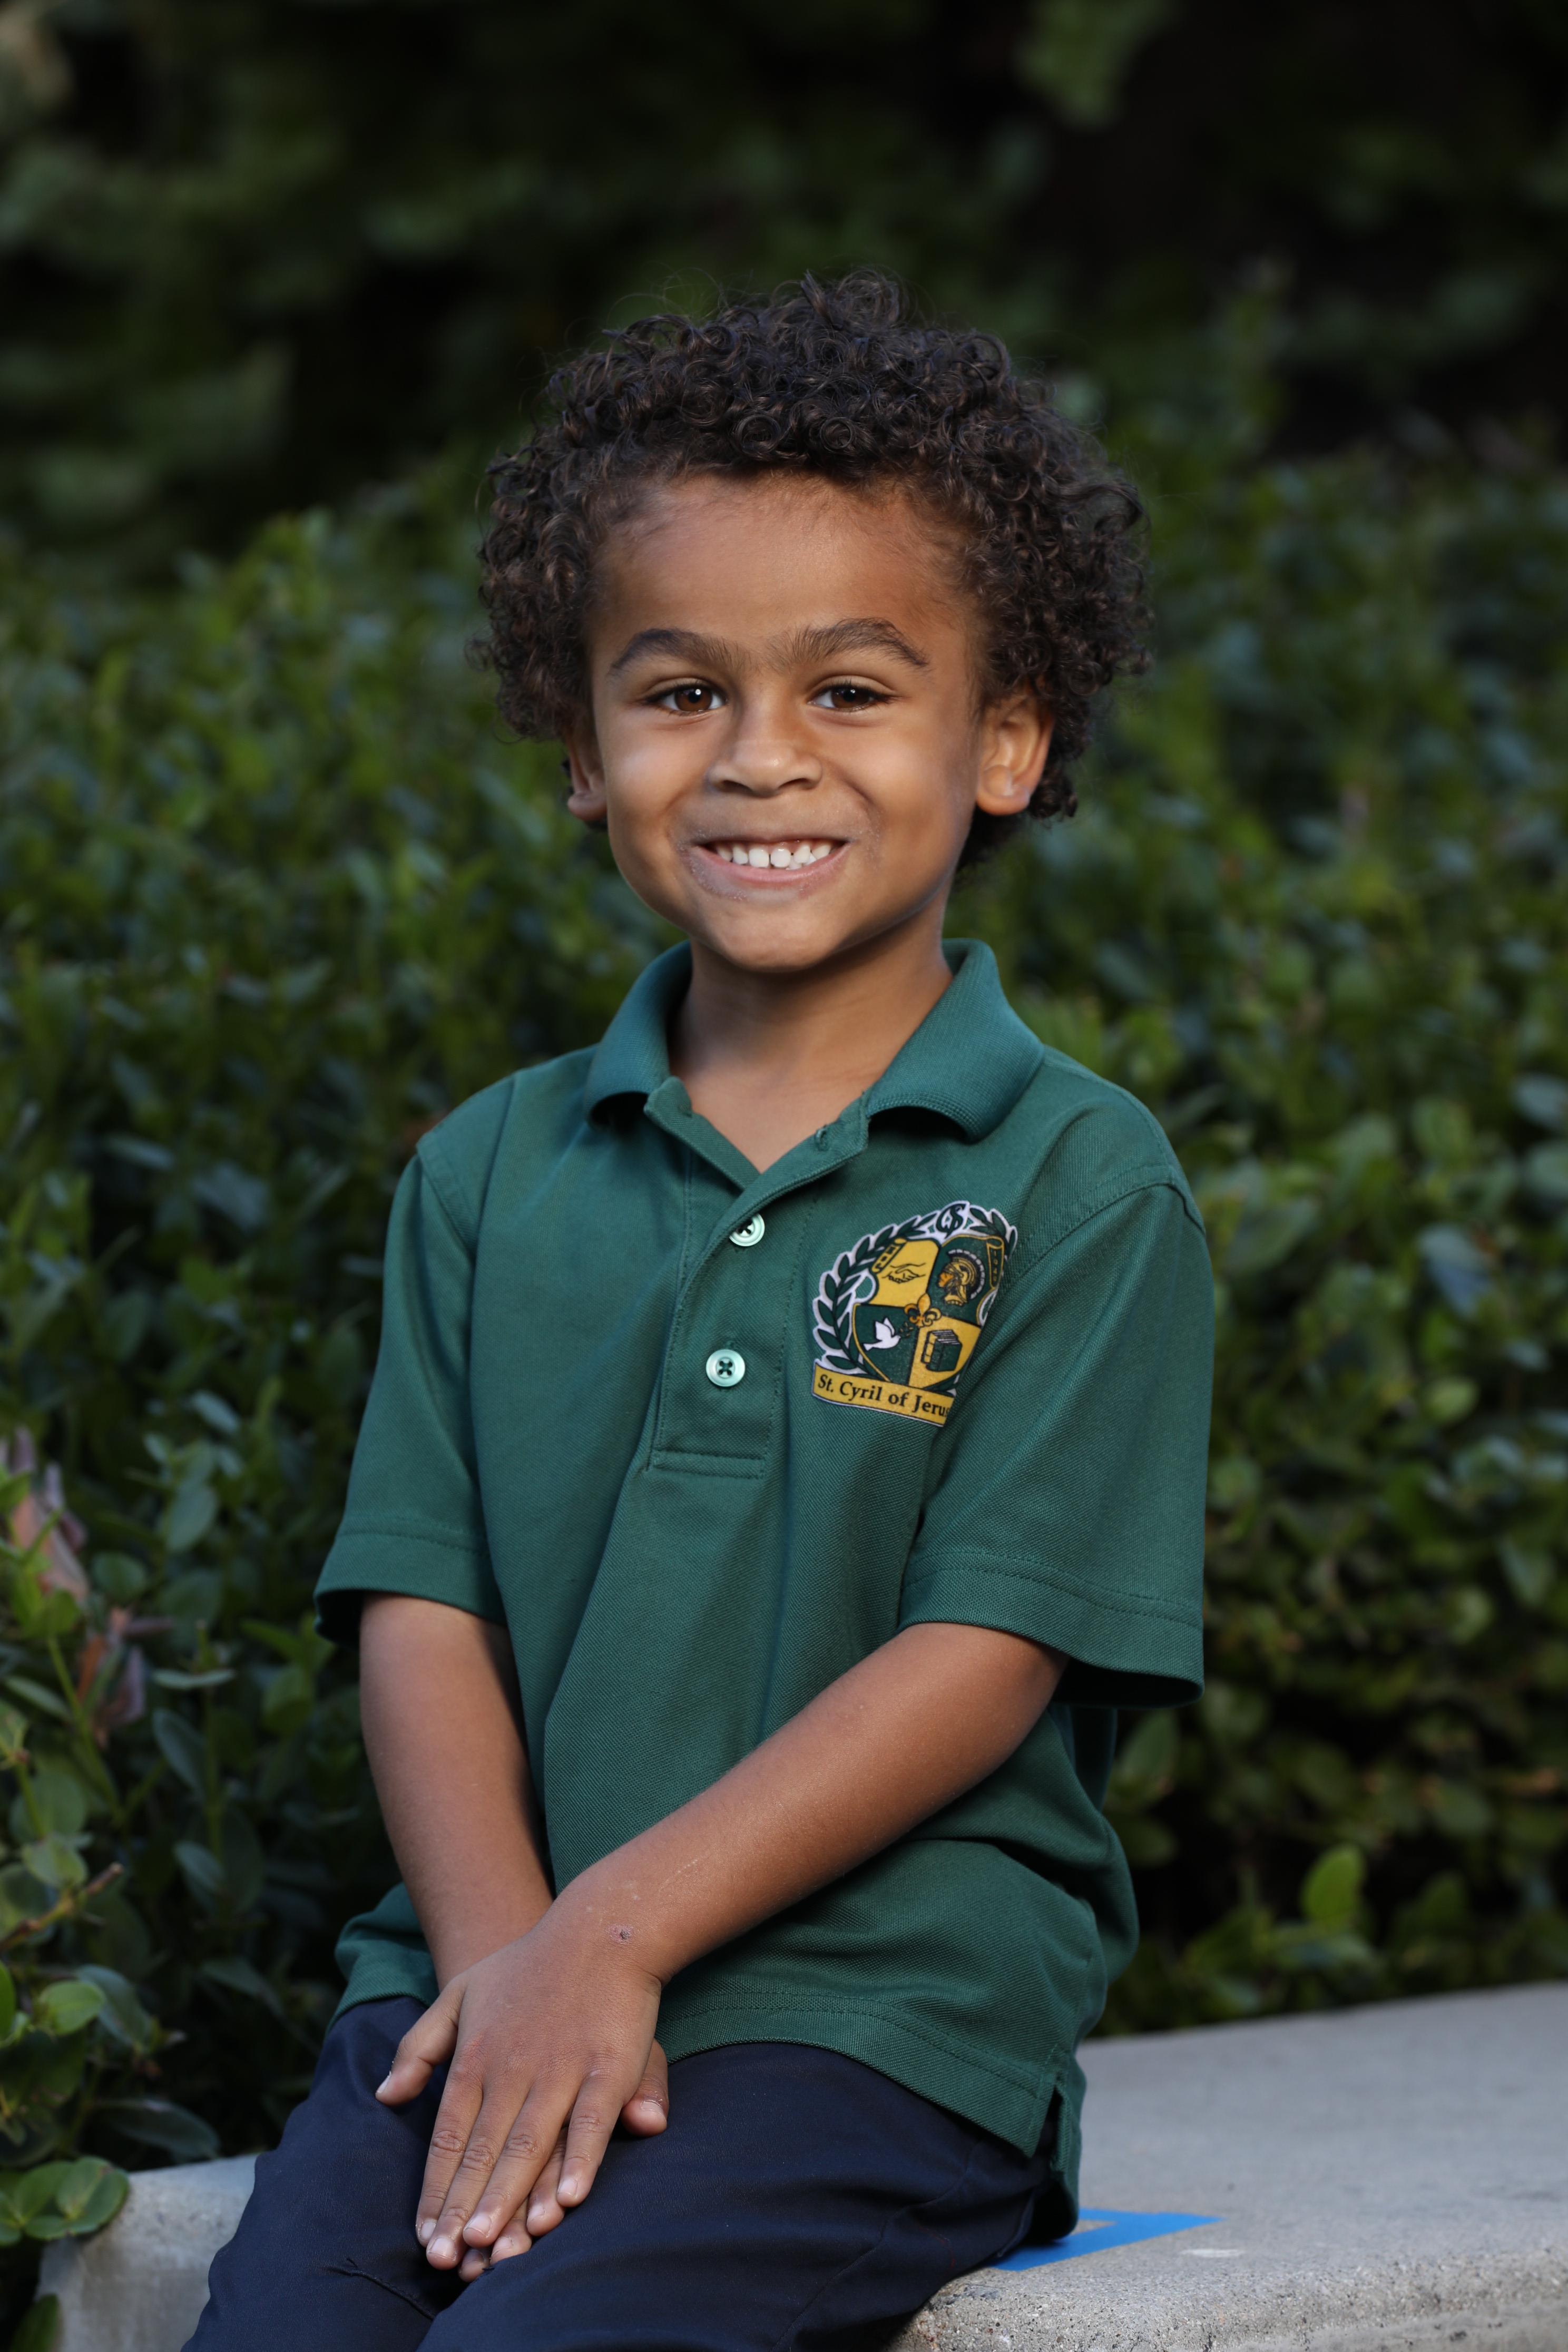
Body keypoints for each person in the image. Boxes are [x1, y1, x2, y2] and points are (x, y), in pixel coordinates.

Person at [187, 271, 1212, 2352]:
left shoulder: (1076, 1181)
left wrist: (622, 1939)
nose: (761, 758)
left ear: (1006, 741)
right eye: (679, 693)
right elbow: (423, 1612)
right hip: (477, 1979)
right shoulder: (490, 1172)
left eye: (852, 688)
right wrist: (516, 1965)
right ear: (583, 750)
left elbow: (984, 1660)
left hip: (872, 2032)